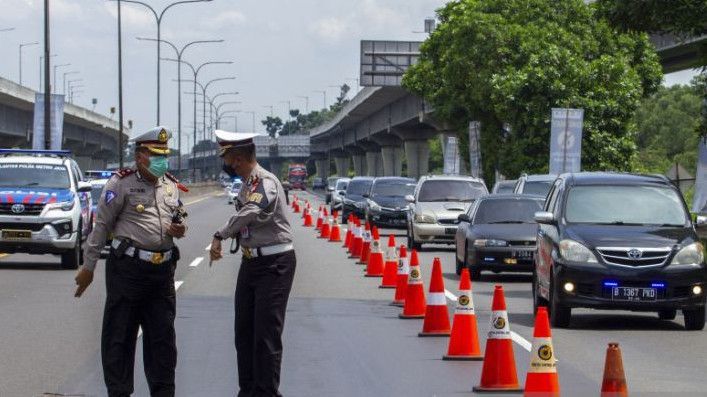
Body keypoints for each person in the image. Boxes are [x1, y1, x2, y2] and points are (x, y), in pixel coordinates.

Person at [74, 126, 188, 397]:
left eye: (164, 155)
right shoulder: (120, 184)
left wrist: (180, 230)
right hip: (128, 271)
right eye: (155, 155)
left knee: (163, 342)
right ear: (139, 156)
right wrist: (88, 268)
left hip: (162, 273)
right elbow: (101, 227)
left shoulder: (170, 185)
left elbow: (178, 219)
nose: (162, 160)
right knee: (119, 338)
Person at [209, 130, 296, 397]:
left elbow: (251, 211)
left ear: (240, 158)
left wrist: (220, 234)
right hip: (251, 263)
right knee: (243, 333)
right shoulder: (247, 184)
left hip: (274, 264)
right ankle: (247, 392)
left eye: (231, 159)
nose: (230, 165)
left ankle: (267, 393)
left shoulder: (265, 182)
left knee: (265, 336)